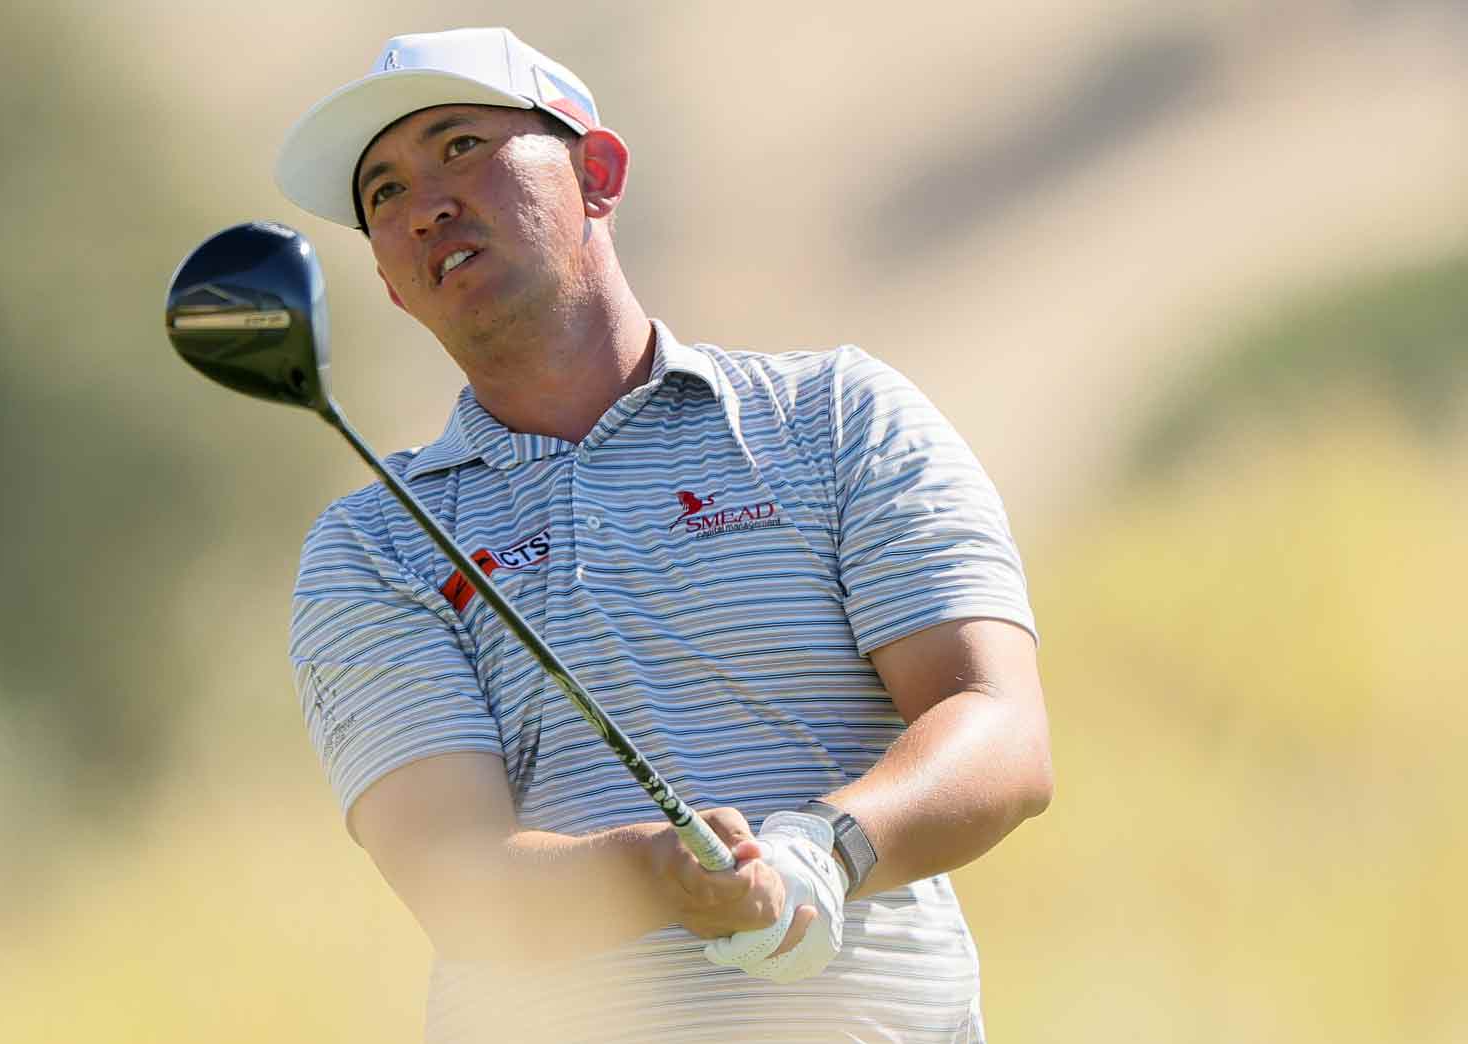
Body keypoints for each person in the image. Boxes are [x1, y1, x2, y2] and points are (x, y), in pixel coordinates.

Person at [276, 26, 1053, 1044]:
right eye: (382, 193)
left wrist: (824, 850)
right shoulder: (374, 547)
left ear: (595, 173)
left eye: (460, 145)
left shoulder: (833, 418)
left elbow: (995, 724)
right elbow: (453, 880)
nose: (423, 203)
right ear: (385, 277)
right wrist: (656, 875)